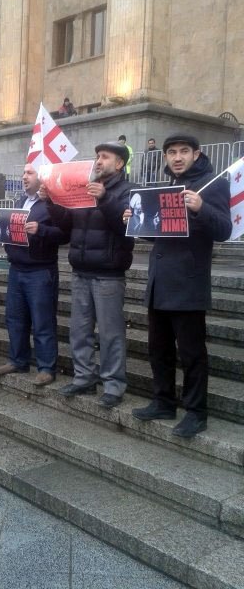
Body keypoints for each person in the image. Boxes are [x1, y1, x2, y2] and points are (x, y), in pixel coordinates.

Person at [131, 134, 232, 437]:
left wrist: (201, 207)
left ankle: (195, 412)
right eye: (171, 152)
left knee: (191, 353)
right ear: (165, 157)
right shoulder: (163, 188)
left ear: (196, 154)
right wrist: (135, 219)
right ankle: (163, 401)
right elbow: (158, 232)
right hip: (159, 281)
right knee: (158, 349)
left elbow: (224, 229)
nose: (177, 157)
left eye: (183, 151)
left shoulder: (212, 185)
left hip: (188, 283)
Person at [45, 142, 134, 408]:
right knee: (79, 331)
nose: (98, 161)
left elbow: (127, 227)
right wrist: (50, 201)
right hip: (81, 270)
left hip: (108, 273)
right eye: (96, 156)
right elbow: (66, 225)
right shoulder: (85, 189)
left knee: (110, 333)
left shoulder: (128, 191)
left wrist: (105, 198)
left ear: (119, 164)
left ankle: (113, 385)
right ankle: (84, 377)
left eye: (105, 157)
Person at [0, 163, 69, 386]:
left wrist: (41, 230)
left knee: (42, 321)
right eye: (24, 173)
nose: (24, 177)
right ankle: (18, 359)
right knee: (15, 319)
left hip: (40, 271)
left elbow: (65, 235)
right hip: (17, 268)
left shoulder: (52, 203)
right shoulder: (20, 202)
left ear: (42, 177)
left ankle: (46, 367)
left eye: (30, 173)